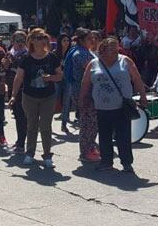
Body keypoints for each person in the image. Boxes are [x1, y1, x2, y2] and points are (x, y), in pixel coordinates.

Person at [81, 37, 148, 173]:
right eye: (111, 48)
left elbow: (137, 78)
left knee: (123, 136)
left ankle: (126, 163)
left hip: (122, 107)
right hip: (101, 107)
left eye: (116, 48)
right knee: (104, 136)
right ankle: (106, 161)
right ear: (102, 50)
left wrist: (142, 95)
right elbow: (85, 83)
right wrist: (81, 100)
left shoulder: (125, 61)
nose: (115, 51)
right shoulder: (93, 64)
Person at [9, 28, 63, 168]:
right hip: (29, 96)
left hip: (48, 96)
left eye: (44, 37)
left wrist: (50, 78)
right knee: (31, 125)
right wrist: (13, 96)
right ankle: (30, 153)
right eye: (38, 37)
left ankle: (47, 155)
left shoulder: (52, 57)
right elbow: (19, 77)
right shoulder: (26, 58)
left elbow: (60, 76)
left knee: (45, 126)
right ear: (32, 40)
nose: (43, 39)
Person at [1, 30, 28, 153]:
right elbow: (3, 71)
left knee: (22, 116)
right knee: (17, 115)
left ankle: (21, 144)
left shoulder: (27, 54)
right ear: (13, 41)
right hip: (12, 88)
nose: (20, 43)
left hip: (24, 88)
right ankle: (19, 141)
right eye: (18, 41)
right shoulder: (9, 53)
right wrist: (5, 65)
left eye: (23, 41)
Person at [76, 31, 102, 162]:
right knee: (88, 124)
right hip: (86, 94)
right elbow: (94, 71)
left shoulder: (86, 52)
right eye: (89, 38)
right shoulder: (81, 54)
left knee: (90, 124)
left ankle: (90, 148)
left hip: (90, 94)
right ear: (81, 40)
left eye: (95, 38)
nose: (93, 40)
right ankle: (87, 151)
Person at [54, 33, 73, 128]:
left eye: (67, 40)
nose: (66, 43)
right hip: (57, 79)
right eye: (64, 40)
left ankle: (64, 123)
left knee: (66, 100)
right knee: (54, 99)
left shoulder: (71, 53)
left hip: (68, 79)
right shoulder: (55, 53)